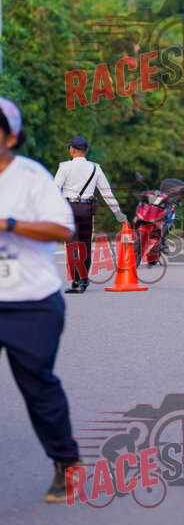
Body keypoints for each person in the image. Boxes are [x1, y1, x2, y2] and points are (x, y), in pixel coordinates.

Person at [0, 98, 81, 502]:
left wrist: (9, 224)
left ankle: (66, 462)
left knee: (37, 387)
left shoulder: (30, 176)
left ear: (10, 136)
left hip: (30, 303)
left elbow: (64, 228)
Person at [54, 137, 127, 293]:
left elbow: (55, 190)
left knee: (72, 245)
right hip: (87, 209)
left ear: (72, 150)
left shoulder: (64, 167)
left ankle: (77, 279)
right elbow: (106, 192)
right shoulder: (95, 168)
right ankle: (83, 280)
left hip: (69, 209)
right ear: (86, 151)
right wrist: (117, 212)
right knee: (85, 244)